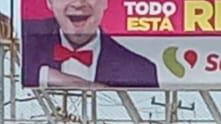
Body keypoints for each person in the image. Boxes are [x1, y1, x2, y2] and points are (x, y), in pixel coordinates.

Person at [22, 0, 159, 89]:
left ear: (105, 2)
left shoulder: (140, 69)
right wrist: (48, 76)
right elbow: (11, 73)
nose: (78, 4)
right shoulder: (26, 43)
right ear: (49, 2)